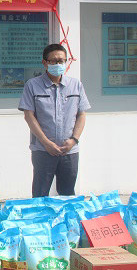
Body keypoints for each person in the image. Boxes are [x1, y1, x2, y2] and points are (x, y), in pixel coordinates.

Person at [18, 43, 90, 198]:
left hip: (69, 150)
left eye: (61, 61)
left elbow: (81, 115)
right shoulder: (33, 85)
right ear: (45, 63)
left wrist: (74, 140)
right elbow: (29, 116)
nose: (58, 64)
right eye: (54, 61)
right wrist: (46, 143)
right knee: (40, 194)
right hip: (43, 150)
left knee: (67, 195)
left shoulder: (76, 85)